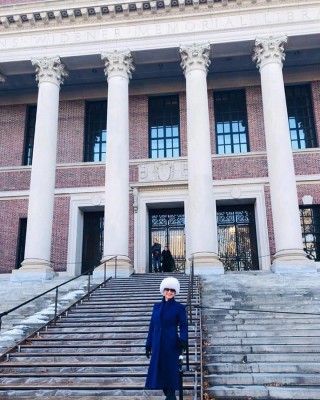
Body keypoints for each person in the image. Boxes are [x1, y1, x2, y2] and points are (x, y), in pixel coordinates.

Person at [145, 277, 188, 400]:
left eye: (172, 290)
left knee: (170, 372)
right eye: (167, 289)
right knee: (160, 372)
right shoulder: (156, 307)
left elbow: (184, 326)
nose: (169, 292)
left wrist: (183, 339)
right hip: (157, 345)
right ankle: (171, 397)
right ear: (163, 290)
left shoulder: (179, 307)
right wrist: (148, 344)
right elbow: (152, 326)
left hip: (171, 344)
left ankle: (170, 397)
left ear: (175, 292)